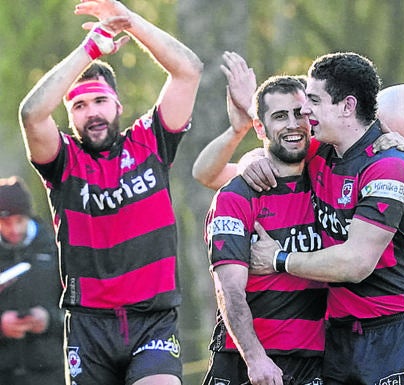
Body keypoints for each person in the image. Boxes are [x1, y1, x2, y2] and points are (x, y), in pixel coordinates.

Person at [17, 0, 203, 384]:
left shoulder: (149, 143)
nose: (92, 112)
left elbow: (189, 71)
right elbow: (31, 113)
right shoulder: (63, 160)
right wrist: (89, 49)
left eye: (100, 100)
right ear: (70, 117)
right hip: (89, 327)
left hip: (153, 321)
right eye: (80, 105)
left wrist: (131, 22)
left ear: (117, 104)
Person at [249, 52, 404, 385]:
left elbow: (356, 263)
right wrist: (254, 160)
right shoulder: (322, 151)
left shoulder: (388, 165)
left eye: (314, 100)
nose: (305, 111)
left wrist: (279, 259)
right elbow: (274, 151)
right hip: (342, 335)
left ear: (347, 106)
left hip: (399, 333)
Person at [203, 75, 326, 385]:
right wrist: (255, 358)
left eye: (299, 113)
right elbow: (228, 290)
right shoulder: (235, 196)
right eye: (279, 116)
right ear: (260, 127)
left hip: (315, 361)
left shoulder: (328, 179)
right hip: (246, 362)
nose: (293, 124)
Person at [0, 176, 64, 385]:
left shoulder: (57, 248)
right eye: (5, 222)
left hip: (50, 372)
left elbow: (81, 309)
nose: (14, 229)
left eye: (19, 220)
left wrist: (48, 319)